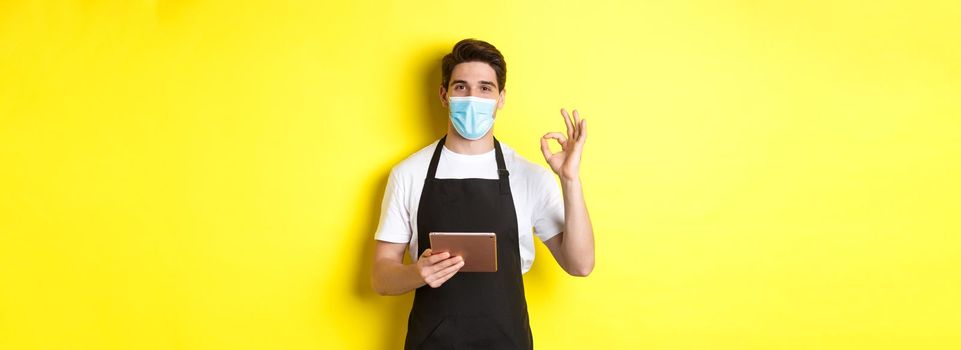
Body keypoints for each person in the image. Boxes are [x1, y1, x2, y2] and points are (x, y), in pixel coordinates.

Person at [371, 38, 595, 350]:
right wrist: (417, 273)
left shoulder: (530, 176)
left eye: (485, 88)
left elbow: (580, 264)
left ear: (501, 98)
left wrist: (570, 181)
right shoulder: (408, 173)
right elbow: (381, 277)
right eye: (461, 87)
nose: (473, 98)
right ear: (444, 95)